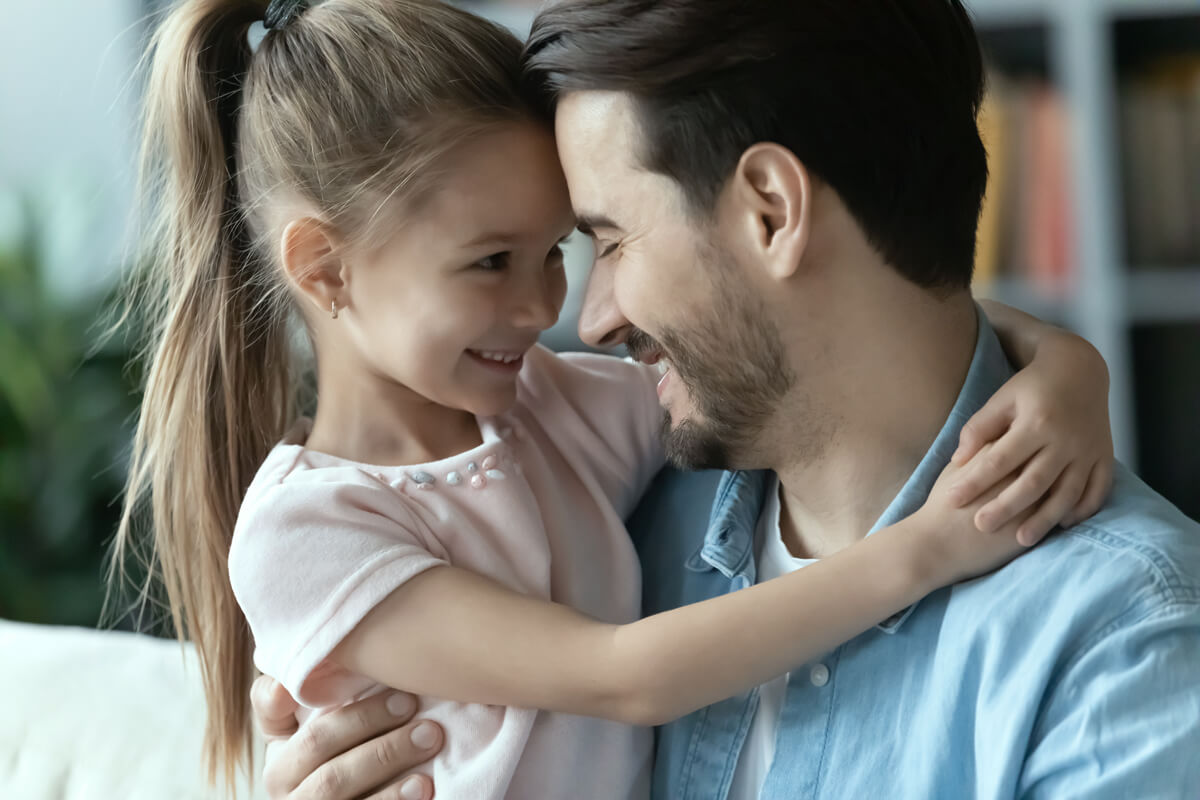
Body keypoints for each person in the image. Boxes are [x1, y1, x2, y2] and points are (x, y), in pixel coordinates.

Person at [249, 1, 1200, 798]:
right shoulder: (620, 500)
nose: (582, 318)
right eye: (499, 259)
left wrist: (1065, 363)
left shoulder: (1122, 641)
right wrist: (1059, 359)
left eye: (605, 242)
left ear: (772, 212)